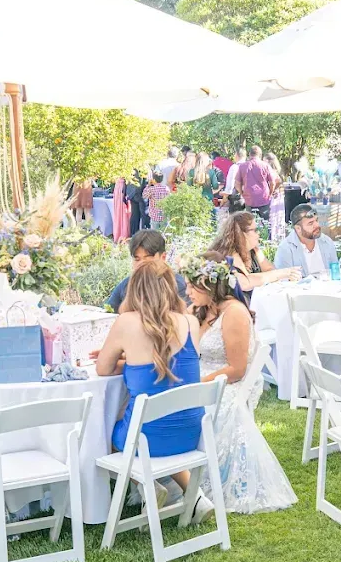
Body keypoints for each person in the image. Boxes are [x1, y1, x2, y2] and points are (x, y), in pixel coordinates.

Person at [95, 259, 214, 522]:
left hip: (146, 439)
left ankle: (149, 487)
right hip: (189, 434)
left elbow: (102, 369)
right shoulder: (190, 322)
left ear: (135, 289)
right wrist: (133, 362)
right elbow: (169, 364)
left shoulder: (126, 321)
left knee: (107, 429)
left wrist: (124, 361)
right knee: (154, 423)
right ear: (171, 288)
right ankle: (194, 497)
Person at [185, 253, 297, 515]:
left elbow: (236, 369)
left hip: (226, 381)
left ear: (210, 284)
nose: (187, 291)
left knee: (202, 406)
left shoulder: (234, 312)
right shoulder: (196, 310)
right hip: (199, 377)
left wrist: (199, 383)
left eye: (193, 285)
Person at [210, 211, 299, 299]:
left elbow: (270, 269)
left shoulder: (254, 250)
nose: (258, 234)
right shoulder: (229, 255)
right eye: (255, 230)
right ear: (242, 234)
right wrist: (283, 273)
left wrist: (280, 275)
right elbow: (245, 283)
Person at [104, 229, 189, 312]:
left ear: (163, 257)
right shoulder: (126, 284)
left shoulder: (177, 285)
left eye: (147, 261)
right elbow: (108, 312)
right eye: (137, 260)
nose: (141, 265)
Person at [274, 203, 339, 277]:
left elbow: (336, 273)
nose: (317, 225)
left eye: (316, 220)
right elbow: (282, 281)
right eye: (310, 223)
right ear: (298, 228)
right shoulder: (286, 248)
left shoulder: (326, 242)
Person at [234, 145, 276, 219]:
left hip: (249, 199)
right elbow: (272, 182)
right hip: (264, 198)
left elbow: (237, 183)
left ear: (249, 154)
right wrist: (270, 193)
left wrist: (242, 193)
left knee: (250, 223)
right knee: (265, 224)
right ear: (260, 155)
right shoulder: (265, 166)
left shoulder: (242, 166)